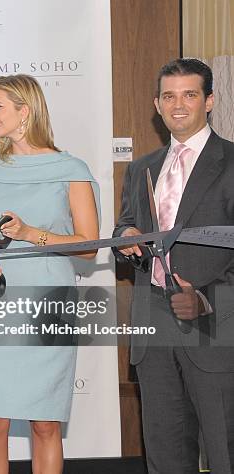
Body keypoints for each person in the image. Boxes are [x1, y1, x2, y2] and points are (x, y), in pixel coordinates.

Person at [0, 74, 99, 474]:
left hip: (48, 301)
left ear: (26, 110)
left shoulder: (71, 168)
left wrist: (29, 234)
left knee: (44, 423)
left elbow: (89, 246)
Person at [114, 58, 234, 473]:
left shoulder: (232, 162)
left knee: (225, 454)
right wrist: (126, 240)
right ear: (156, 104)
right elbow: (127, 228)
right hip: (154, 329)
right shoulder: (141, 168)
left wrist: (206, 299)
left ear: (210, 101)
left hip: (215, 327)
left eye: (189, 94)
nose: (178, 104)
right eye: (169, 96)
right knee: (164, 456)